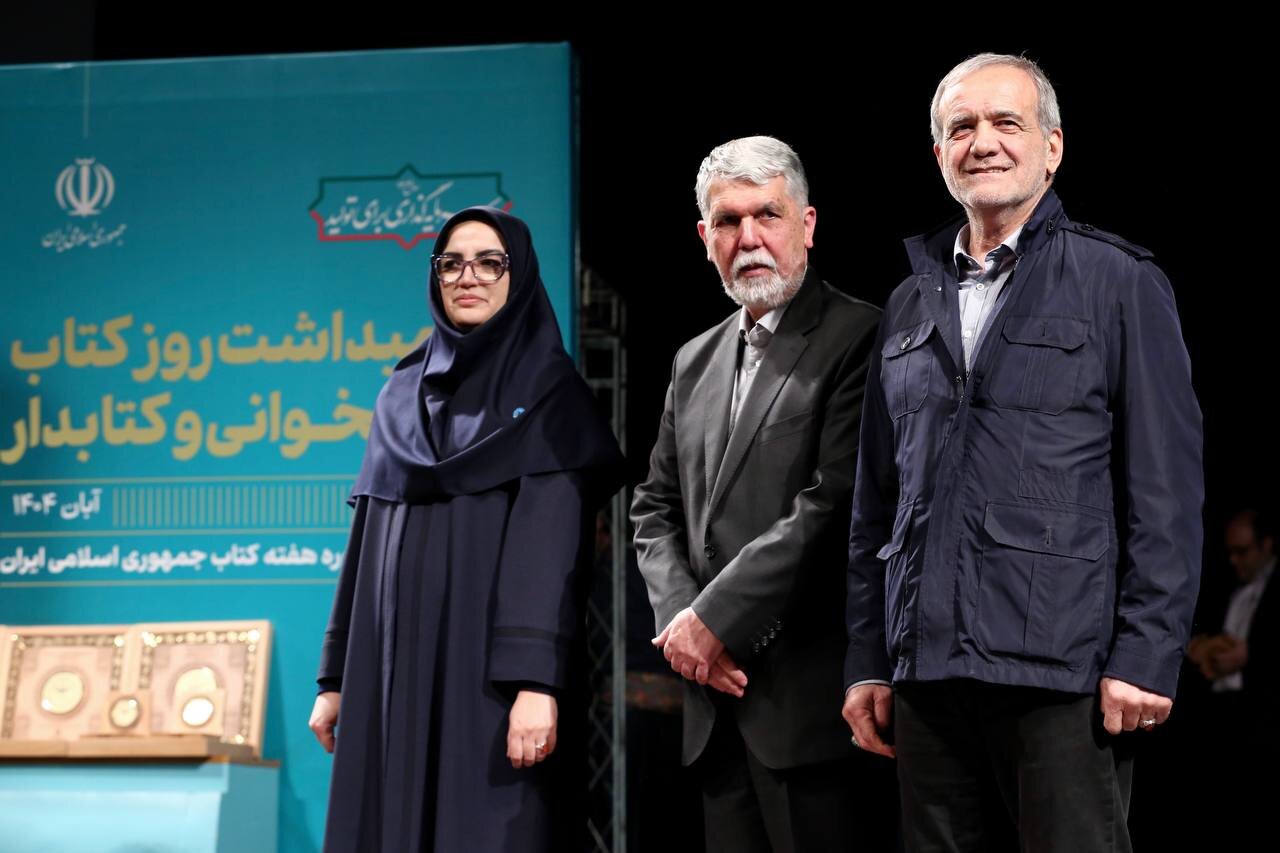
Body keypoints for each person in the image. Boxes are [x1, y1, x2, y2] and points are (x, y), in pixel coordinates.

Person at [843, 53, 1203, 852]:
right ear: (939, 153)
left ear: (1053, 147)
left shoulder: (1119, 281)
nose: (984, 142)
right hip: (927, 672)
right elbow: (876, 502)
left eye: (1007, 122)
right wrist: (869, 658)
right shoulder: (908, 303)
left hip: (1063, 670)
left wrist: (1147, 652)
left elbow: (1165, 491)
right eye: (961, 127)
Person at [308, 206, 623, 852]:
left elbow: (549, 553)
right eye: (450, 263)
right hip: (389, 670)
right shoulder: (400, 393)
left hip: (487, 679)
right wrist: (335, 678)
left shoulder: (549, 395)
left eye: (488, 262)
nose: (467, 276)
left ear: (518, 275)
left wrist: (536, 684)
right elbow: (365, 542)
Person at [632, 135, 893, 852]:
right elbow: (652, 507)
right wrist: (683, 624)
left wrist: (713, 619)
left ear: (806, 225)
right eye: (728, 221)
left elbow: (834, 501)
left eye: (767, 216)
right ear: (705, 238)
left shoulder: (860, 335)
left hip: (808, 707)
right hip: (712, 704)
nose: (748, 238)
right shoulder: (693, 359)